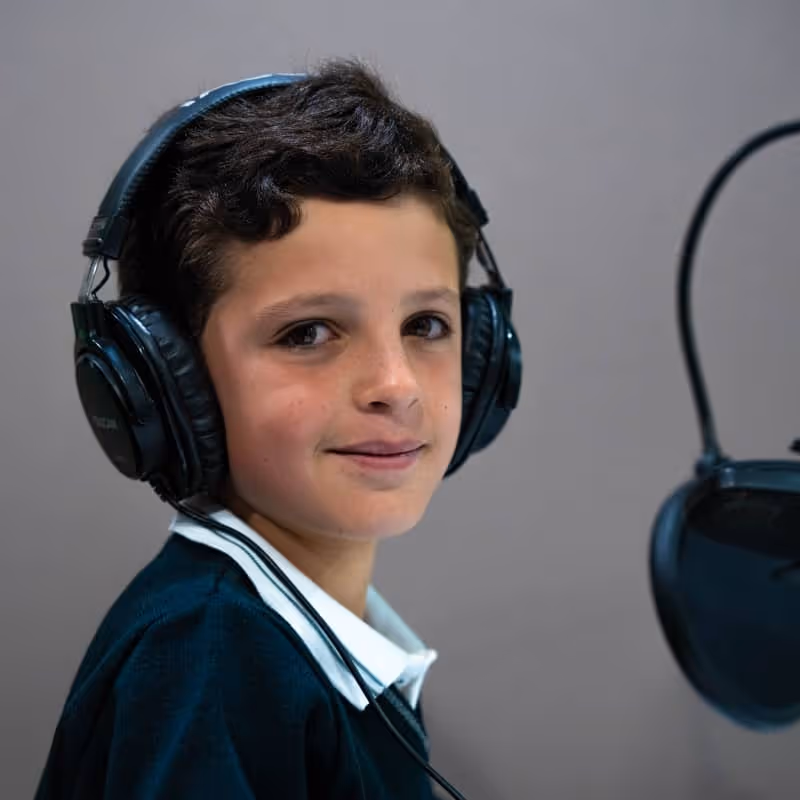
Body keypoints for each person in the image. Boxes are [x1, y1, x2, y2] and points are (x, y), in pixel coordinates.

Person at [34, 57, 507, 799]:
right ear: (166, 381)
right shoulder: (210, 659)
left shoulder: (287, 639)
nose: (395, 386)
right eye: (309, 333)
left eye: (426, 324)